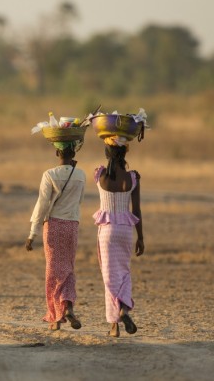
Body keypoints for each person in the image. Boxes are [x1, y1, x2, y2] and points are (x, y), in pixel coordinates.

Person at [25, 141, 86, 331]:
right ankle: (67, 306)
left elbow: (42, 204)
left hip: (53, 226)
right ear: (74, 150)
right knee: (68, 267)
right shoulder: (81, 174)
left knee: (52, 272)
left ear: (57, 151)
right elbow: (80, 201)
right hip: (72, 226)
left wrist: (32, 233)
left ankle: (55, 317)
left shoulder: (49, 174)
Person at [93, 139, 145, 337]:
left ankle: (114, 326)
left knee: (109, 279)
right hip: (125, 231)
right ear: (125, 153)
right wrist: (141, 237)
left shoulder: (100, 175)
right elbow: (137, 210)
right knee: (123, 273)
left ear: (108, 153)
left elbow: (106, 169)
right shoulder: (132, 178)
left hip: (106, 232)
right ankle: (123, 308)